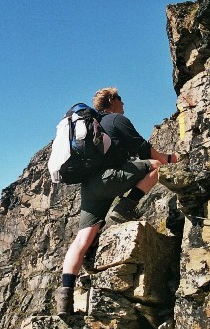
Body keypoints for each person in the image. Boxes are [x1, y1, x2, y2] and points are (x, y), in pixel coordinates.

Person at [54, 87, 178, 316]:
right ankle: (125, 207)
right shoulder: (116, 120)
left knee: (82, 239)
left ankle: (65, 298)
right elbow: (147, 152)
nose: (123, 103)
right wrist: (173, 158)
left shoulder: (96, 126)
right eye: (120, 98)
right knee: (156, 167)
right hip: (110, 179)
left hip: (89, 188)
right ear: (111, 100)